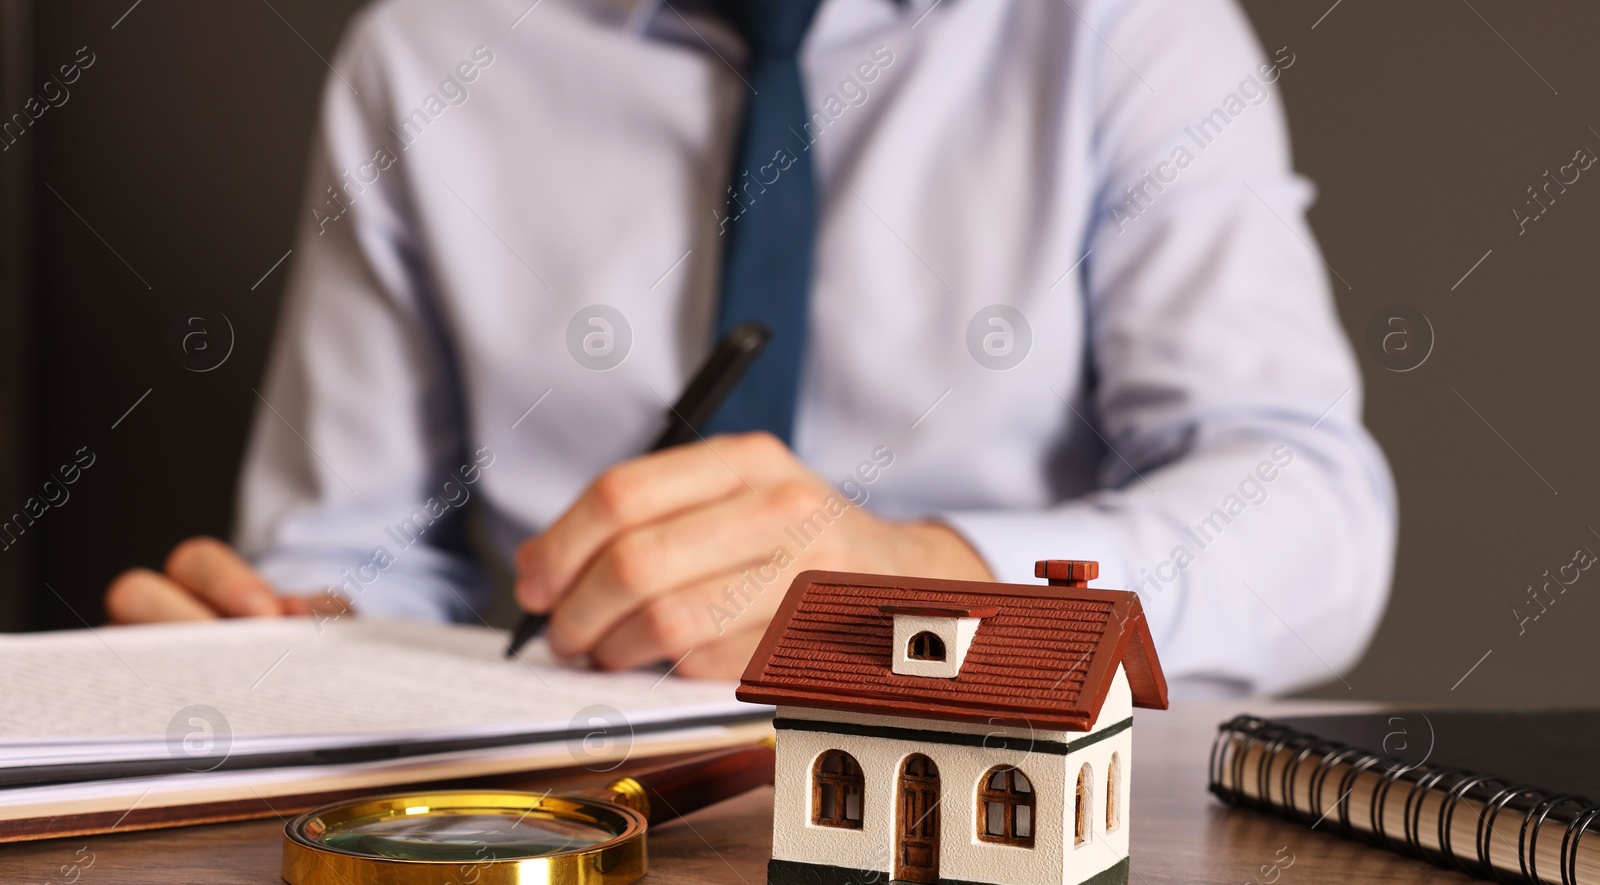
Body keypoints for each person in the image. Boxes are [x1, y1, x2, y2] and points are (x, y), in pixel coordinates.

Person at [104, 0, 1396, 694]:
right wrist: (296, 639)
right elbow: (359, 547)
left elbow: (1312, 519)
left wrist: (919, 582)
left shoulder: (1123, 27)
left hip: (1016, 820)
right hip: (580, 824)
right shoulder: (426, 51)